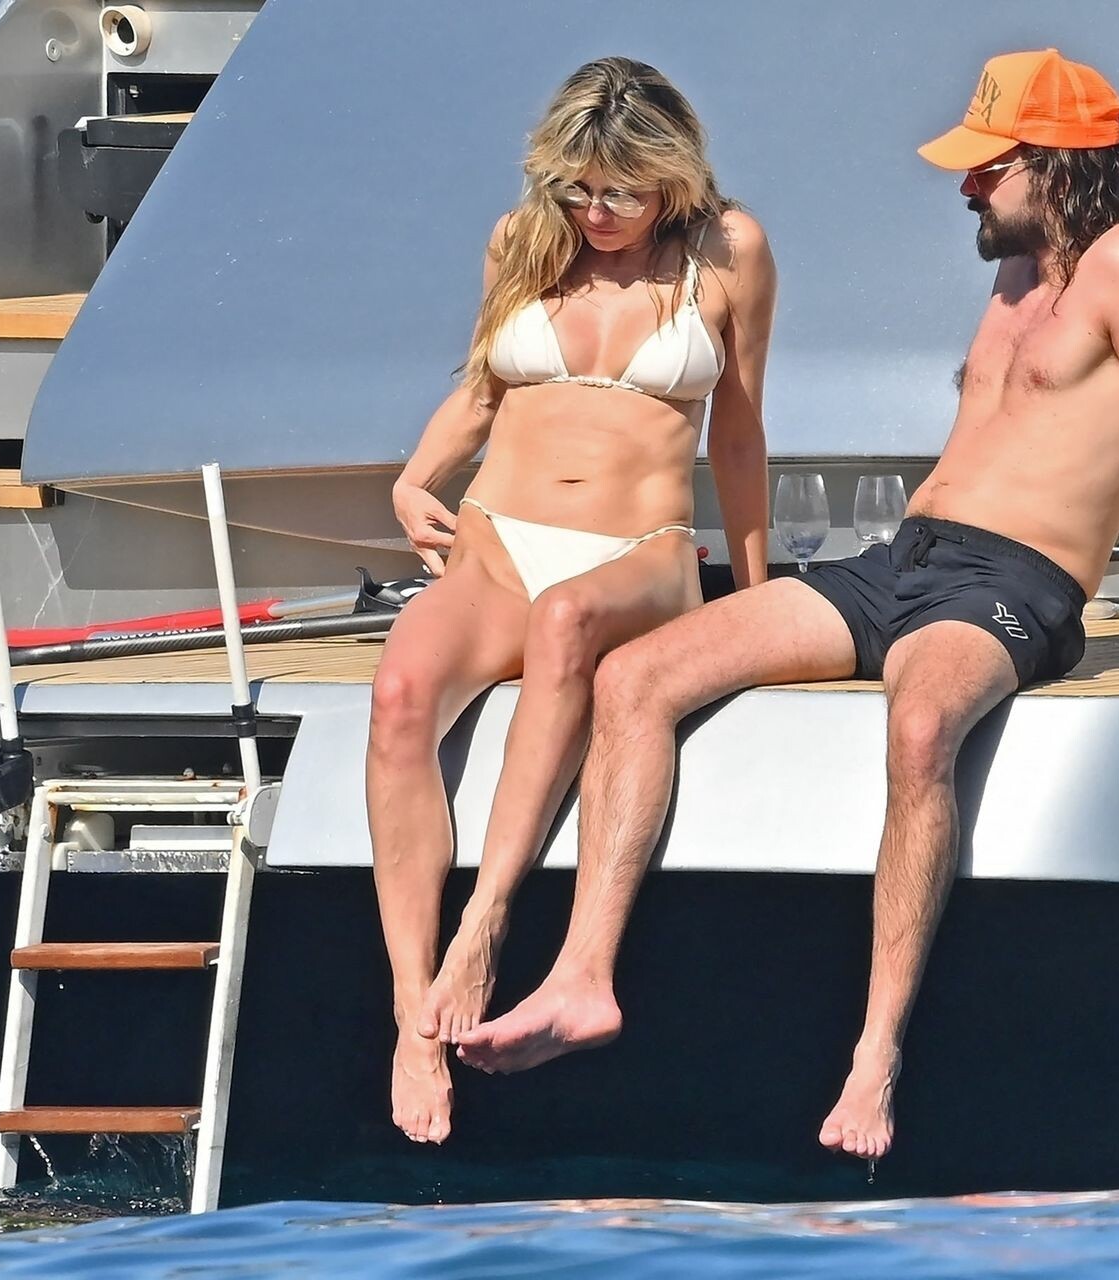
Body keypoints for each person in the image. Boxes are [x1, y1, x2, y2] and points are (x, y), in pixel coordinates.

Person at [455, 48, 1119, 1158]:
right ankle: (582, 977)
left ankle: (874, 1054)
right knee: (637, 674)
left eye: (987, 169)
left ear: (1059, 164)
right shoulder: (1020, 270)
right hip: (905, 561)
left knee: (922, 724)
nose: (966, 188)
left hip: (1014, 582)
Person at [367, 55, 776, 1144]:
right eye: (578, 189)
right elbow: (479, 392)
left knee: (566, 624)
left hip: (638, 551)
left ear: (671, 178)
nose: (596, 214)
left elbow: (738, 430)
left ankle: (488, 919)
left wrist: (757, 595)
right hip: (498, 541)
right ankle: (413, 1010)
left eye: (621, 193)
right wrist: (412, 480)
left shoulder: (729, 250)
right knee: (400, 693)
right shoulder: (523, 240)